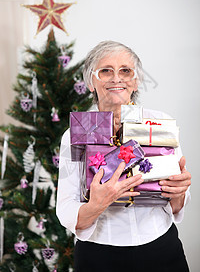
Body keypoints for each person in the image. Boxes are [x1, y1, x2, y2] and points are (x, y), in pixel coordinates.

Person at [56, 41, 191, 272]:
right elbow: (66, 209)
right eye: (105, 70)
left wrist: (178, 193)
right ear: (90, 82)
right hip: (99, 256)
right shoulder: (75, 134)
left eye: (125, 70)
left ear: (136, 81)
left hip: (162, 249)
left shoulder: (159, 123)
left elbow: (177, 203)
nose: (116, 78)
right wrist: (97, 205)